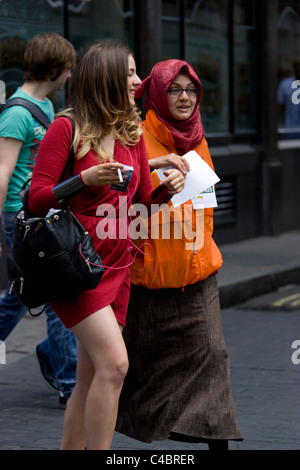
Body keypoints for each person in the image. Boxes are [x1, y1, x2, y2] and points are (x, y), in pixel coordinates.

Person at [27, 40, 184, 450]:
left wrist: (168, 191)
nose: (138, 80)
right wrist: (83, 180)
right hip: (76, 265)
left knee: (91, 374)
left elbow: (142, 199)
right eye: (131, 72)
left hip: (117, 262)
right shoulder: (67, 126)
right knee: (115, 365)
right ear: (108, 78)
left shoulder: (130, 130)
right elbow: (36, 196)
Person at [116, 59, 243, 450]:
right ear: (157, 93)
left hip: (198, 279)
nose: (184, 97)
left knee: (214, 357)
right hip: (148, 281)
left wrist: (202, 254)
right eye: (175, 89)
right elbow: (121, 208)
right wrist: (160, 192)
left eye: (191, 90)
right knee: (137, 377)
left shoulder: (198, 140)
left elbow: (204, 209)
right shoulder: (133, 138)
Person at [0, 33, 77, 406]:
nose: (71, 75)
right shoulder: (17, 112)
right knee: (54, 293)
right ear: (56, 68)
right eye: (69, 67)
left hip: (43, 215)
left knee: (20, 296)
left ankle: (59, 362)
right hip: (21, 218)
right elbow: (3, 171)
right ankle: (69, 382)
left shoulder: (45, 104)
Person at [278, 56, 300, 137]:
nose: (298, 68)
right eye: (295, 65)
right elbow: (280, 108)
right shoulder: (285, 84)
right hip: (291, 129)